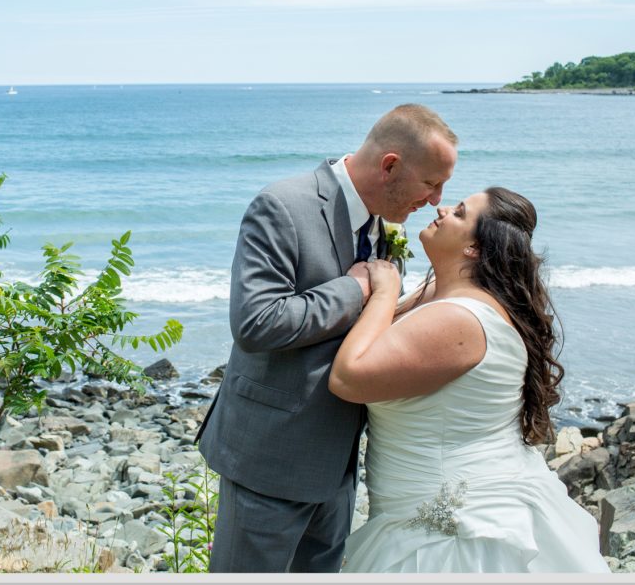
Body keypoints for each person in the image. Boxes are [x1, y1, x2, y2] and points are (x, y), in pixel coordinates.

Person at [196, 104, 458, 572]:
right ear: (391, 166)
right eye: (431, 183)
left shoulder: (385, 221)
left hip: (338, 464)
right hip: (270, 458)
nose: (438, 199)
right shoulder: (283, 206)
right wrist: (354, 288)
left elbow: (371, 325)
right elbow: (256, 323)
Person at [329, 187, 610, 573]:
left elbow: (348, 378)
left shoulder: (460, 320)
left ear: (474, 249)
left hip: (452, 538)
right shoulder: (447, 295)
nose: (442, 209)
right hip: (435, 504)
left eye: (459, 212)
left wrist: (385, 291)